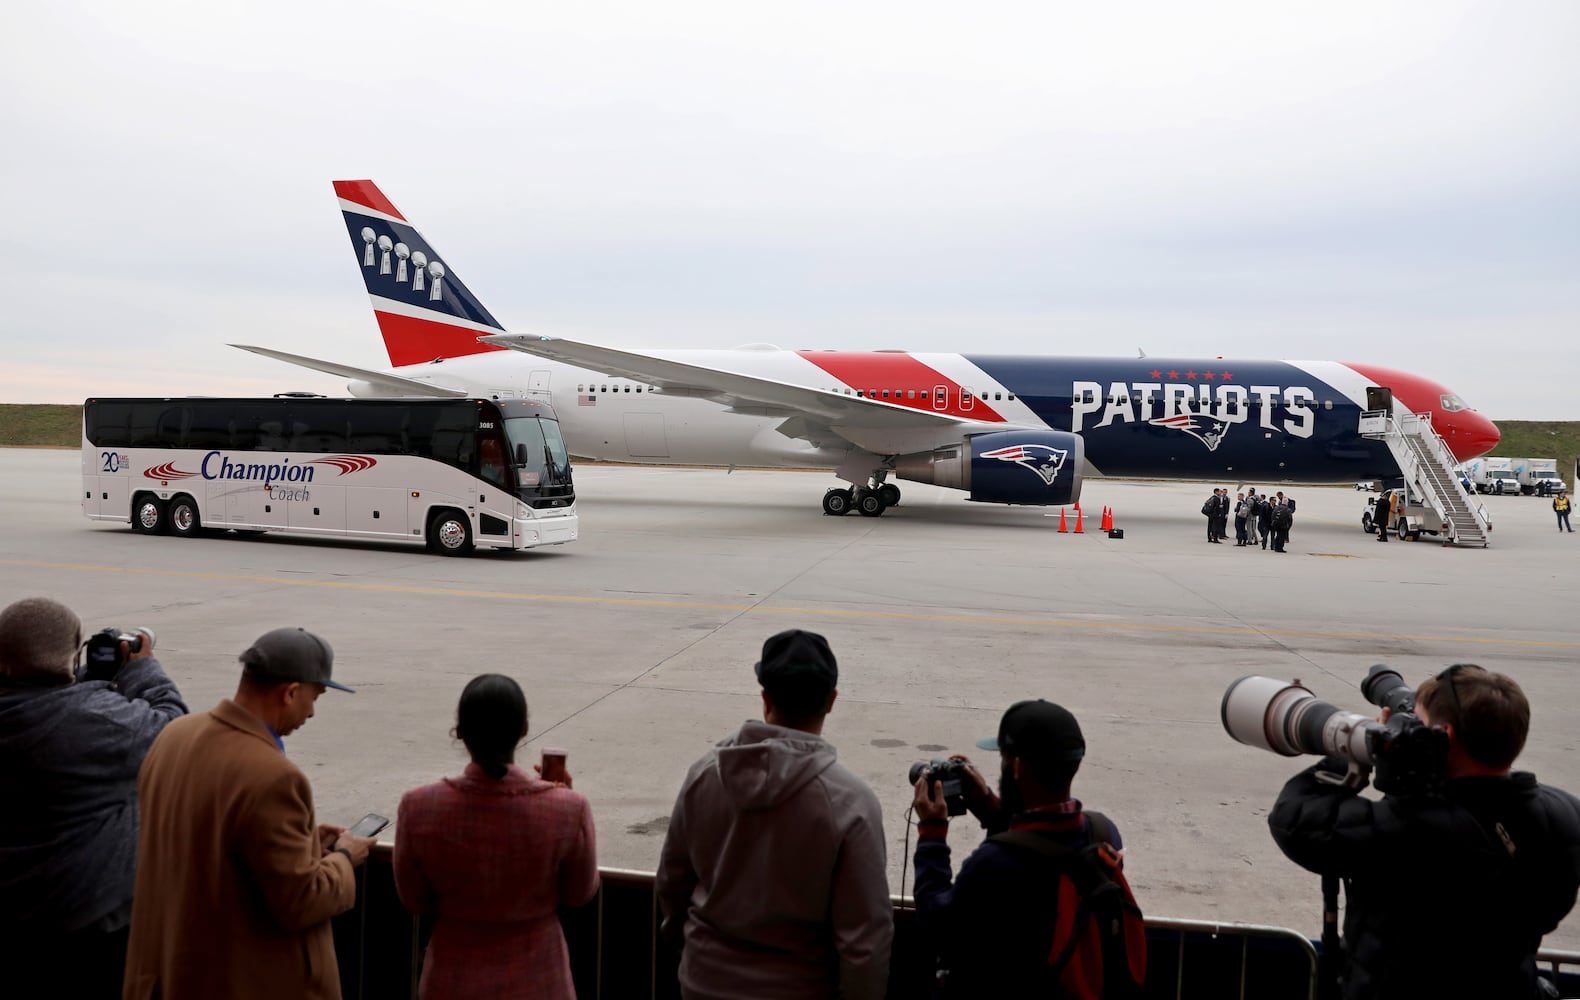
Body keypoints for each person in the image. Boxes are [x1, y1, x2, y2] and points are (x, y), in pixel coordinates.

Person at [1269, 665, 1580, 999]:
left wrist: (1357, 747)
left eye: (1416, 723)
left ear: (1443, 739)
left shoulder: (1411, 829)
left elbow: (1293, 820)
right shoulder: (1563, 813)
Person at [123, 627, 377, 1000]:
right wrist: (342, 858)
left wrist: (305, 843)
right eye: (314, 697)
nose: (311, 712)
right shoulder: (274, 776)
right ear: (290, 692)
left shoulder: (175, 734)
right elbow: (301, 900)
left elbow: (212, 839)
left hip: (168, 972)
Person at [657, 629, 892, 1000]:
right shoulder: (851, 802)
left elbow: (672, 884)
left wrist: (694, 953)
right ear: (831, 701)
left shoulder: (704, 774)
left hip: (703, 982)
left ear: (765, 697)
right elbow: (865, 940)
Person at [0, 598, 187, 1000]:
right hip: (88, 927)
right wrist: (142, 669)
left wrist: (81, 679)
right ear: (74, 652)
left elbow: (35, 696)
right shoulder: (97, 721)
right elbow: (173, 728)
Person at [911, 699, 1143, 993]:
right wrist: (988, 806)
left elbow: (935, 920)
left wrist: (932, 832)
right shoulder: (1104, 833)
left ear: (1017, 766)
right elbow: (1044, 843)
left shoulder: (994, 863)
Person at [394, 674, 599, 1000]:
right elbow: (579, 892)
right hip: (541, 982)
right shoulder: (568, 808)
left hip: (451, 982)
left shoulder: (418, 807)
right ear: (524, 730)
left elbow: (414, 899)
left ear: (460, 732)